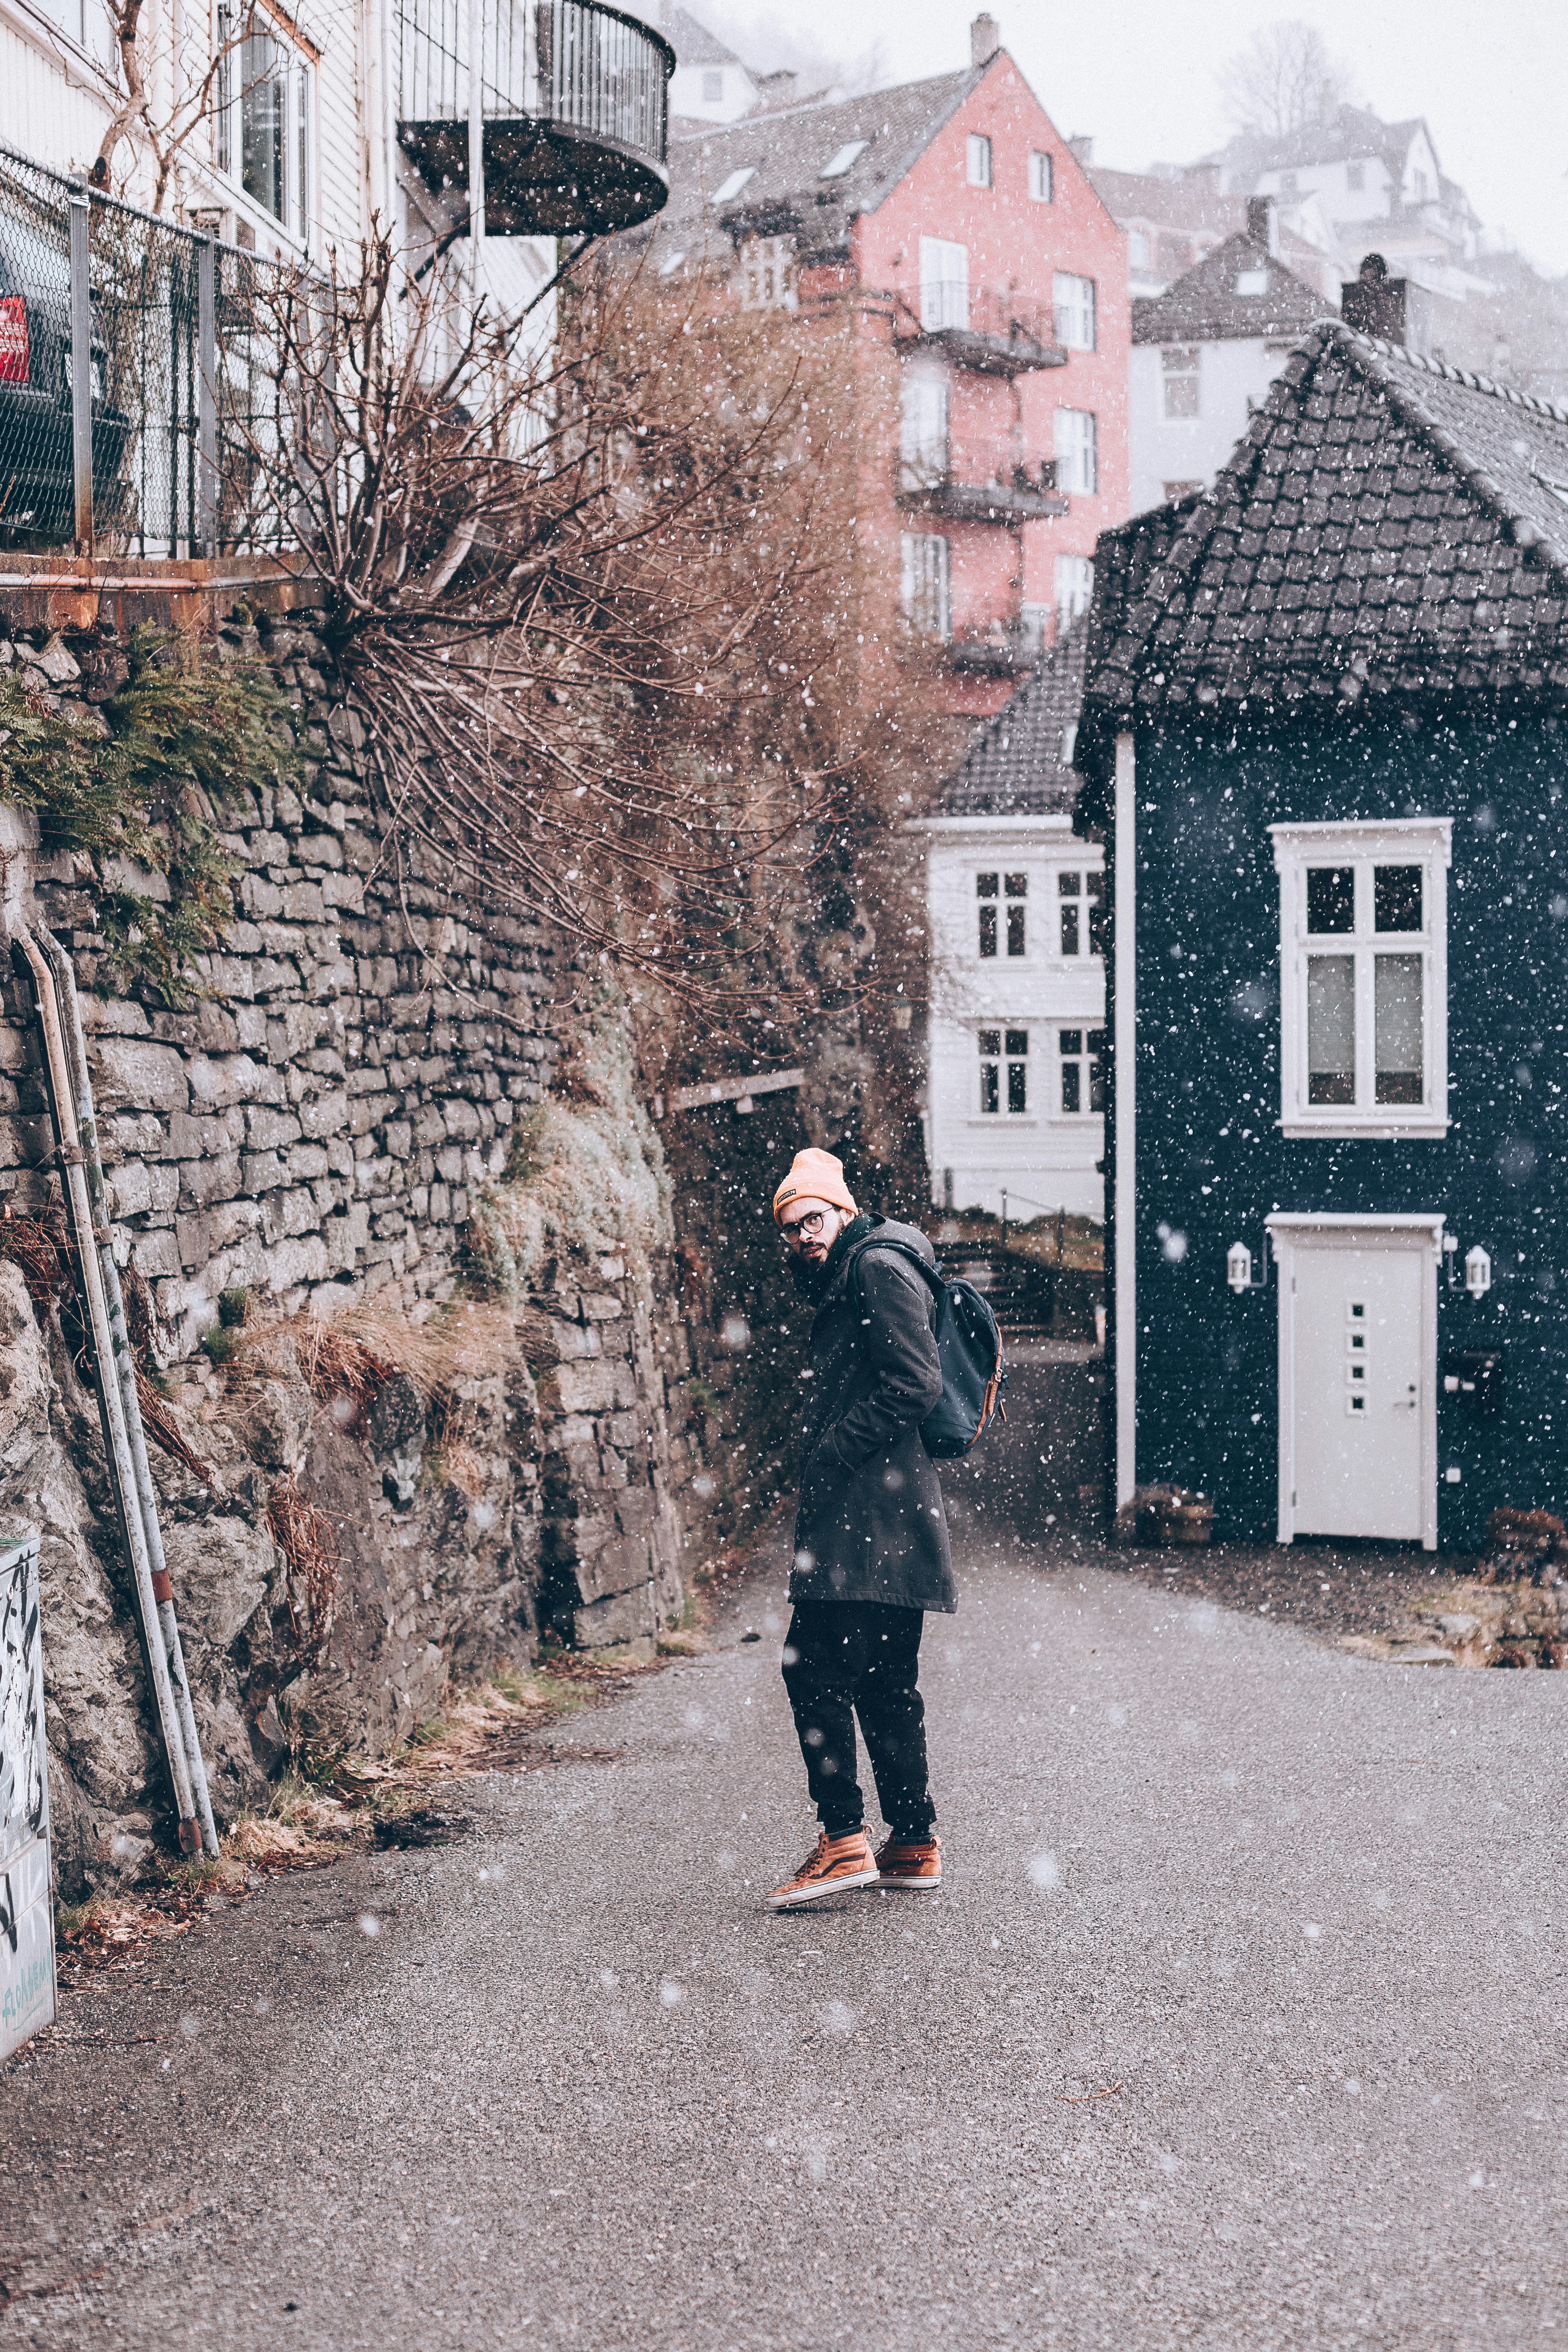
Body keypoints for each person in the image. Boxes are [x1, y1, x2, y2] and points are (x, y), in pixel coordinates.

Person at [764, 1147, 955, 1912]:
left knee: (811, 1670)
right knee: (885, 1686)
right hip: (893, 1518)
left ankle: (844, 1841)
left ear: (842, 1210)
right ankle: (911, 1842)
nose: (803, 1237)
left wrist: (833, 1451)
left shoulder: (875, 1266)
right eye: (791, 1228)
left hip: (866, 1520)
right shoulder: (867, 1265)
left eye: (812, 1218)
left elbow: (917, 1380)